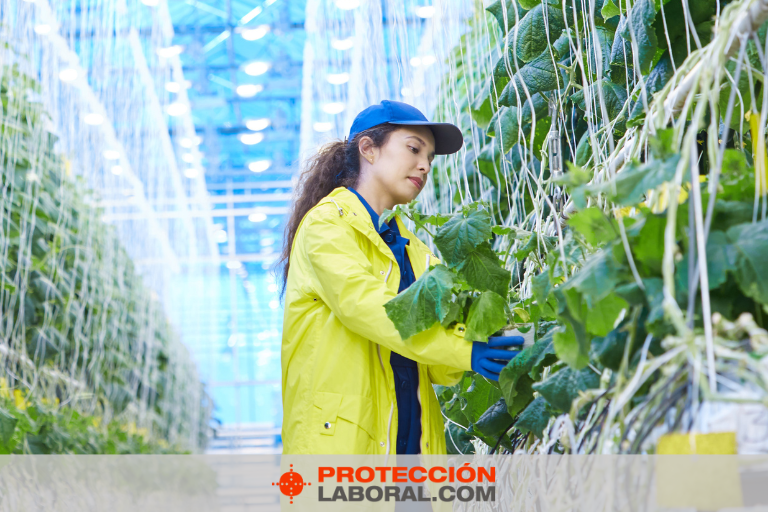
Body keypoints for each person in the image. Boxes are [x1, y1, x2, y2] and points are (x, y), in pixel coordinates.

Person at [278, 100, 522, 455]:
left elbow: (439, 369)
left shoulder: (412, 248)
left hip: (412, 450)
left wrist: (492, 333)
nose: (424, 165)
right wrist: (466, 350)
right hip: (344, 447)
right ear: (368, 149)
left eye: (431, 158)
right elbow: (368, 307)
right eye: (413, 148)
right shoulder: (325, 226)